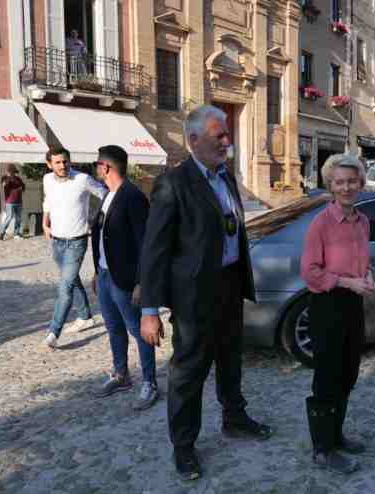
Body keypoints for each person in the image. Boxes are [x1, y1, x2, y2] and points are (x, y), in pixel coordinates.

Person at [139, 105, 271, 481]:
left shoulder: (225, 177)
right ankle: (184, 446)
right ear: (194, 140)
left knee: (231, 359)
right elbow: (154, 250)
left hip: (229, 283)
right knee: (189, 371)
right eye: (220, 137)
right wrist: (149, 309)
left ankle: (234, 417)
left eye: (227, 135)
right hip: (194, 295)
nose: (227, 142)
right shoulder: (173, 184)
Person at [300, 154, 374, 474]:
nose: (346, 187)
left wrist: (367, 276)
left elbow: (362, 261)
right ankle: (322, 449)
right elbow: (309, 272)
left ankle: (337, 435)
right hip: (327, 306)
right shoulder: (321, 223)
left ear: (361, 183)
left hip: (352, 305)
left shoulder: (363, 221)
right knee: (327, 378)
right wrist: (347, 282)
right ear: (330, 185)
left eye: (352, 181)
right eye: (339, 182)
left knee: (348, 374)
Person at [89, 145, 158, 410]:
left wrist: (142, 281)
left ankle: (150, 382)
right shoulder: (107, 195)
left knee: (138, 330)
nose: (96, 169)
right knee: (113, 327)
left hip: (126, 278)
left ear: (106, 167)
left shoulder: (133, 197)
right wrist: (97, 270)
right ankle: (121, 375)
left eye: (97, 164)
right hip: (106, 275)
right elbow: (102, 235)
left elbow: (145, 243)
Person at [42, 147, 106, 349]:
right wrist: (45, 222)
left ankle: (53, 331)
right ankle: (85, 316)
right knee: (72, 280)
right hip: (57, 241)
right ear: (49, 164)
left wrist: (97, 219)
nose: (62, 165)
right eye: (58, 162)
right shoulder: (47, 180)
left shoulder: (82, 179)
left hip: (77, 241)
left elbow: (105, 194)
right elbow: (48, 201)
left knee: (65, 287)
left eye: (65, 161)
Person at [0, 164, 25, 240]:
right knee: (9, 217)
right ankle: (1, 232)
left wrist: (21, 187)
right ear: (8, 171)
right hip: (9, 202)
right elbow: (4, 185)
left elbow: (23, 187)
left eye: (14, 172)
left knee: (18, 218)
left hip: (19, 201)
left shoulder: (18, 179)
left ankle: (17, 234)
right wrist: (9, 178)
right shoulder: (5, 178)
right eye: (11, 171)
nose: (13, 173)